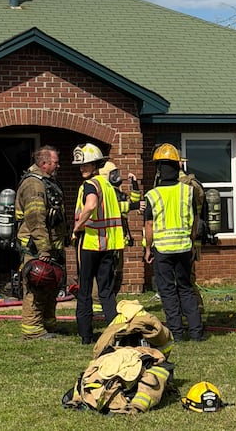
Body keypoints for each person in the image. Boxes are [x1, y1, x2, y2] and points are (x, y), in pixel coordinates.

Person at [143, 143, 205, 342]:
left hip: (162, 249)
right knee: (186, 289)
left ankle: (176, 333)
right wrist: (193, 243)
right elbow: (194, 220)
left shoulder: (152, 195)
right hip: (184, 248)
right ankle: (196, 332)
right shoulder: (187, 192)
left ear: (158, 168)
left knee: (168, 291)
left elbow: (149, 225)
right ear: (177, 166)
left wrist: (147, 248)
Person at [72, 143, 125, 344]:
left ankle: (86, 335)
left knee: (84, 290)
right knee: (106, 291)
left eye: (86, 164)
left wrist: (77, 226)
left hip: (90, 243)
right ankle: (115, 333)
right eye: (81, 165)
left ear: (95, 164)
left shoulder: (90, 186)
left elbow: (91, 205)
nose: (82, 168)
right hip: (109, 245)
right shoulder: (108, 186)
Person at [15, 145, 69, 340]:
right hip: (36, 247)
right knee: (37, 286)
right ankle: (32, 329)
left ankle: (48, 323)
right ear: (44, 163)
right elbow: (36, 218)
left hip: (52, 245)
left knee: (51, 285)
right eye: (55, 162)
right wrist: (44, 249)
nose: (58, 165)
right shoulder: (34, 185)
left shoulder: (47, 182)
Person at [90, 161, 142, 315]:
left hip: (118, 239)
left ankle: (109, 301)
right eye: (114, 173)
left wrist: (135, 185)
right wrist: (134, 206)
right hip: (106, 239)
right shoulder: (104, 193)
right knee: (104, 272)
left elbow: (134, 202)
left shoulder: (116, 192)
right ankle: (97, 305)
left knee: (117, 273)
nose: (117, 177)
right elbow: (118, 207)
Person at [178, 158, 207, 313]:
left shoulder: (190, 185)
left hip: (189, 237)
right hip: (183, 237)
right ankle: (190, 307)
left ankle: (195, 307)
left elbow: (196, 200)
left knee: (187, 276)